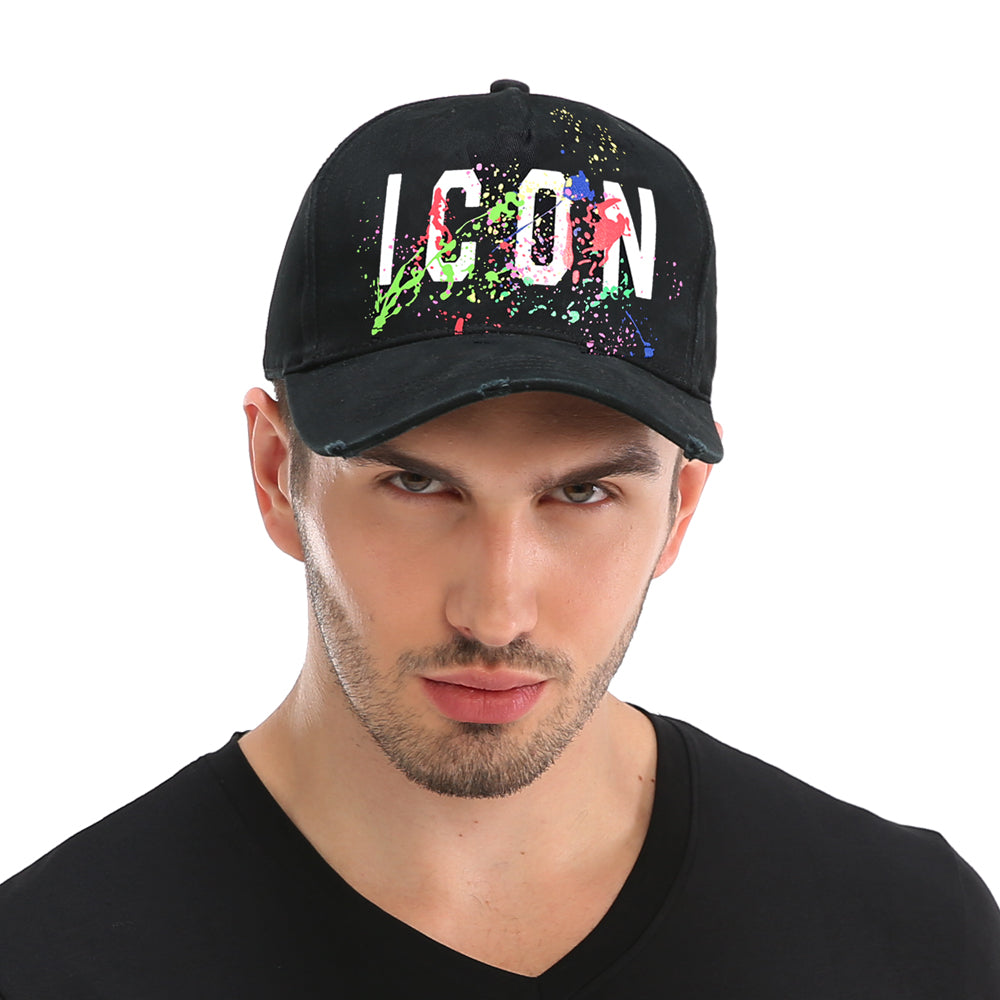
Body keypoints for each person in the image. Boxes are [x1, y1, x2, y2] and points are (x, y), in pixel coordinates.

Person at [1, 80, 997, 998]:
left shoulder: (911, 940)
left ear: (680, 508)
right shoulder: (51, 963)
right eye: (417, 483)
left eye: (582, 493)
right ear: (275, 474)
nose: (495, 611)